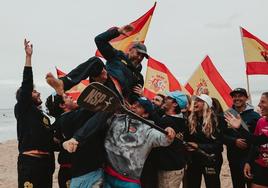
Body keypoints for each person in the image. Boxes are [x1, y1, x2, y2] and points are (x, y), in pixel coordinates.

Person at [103, 97, 176, 188]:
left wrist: (169, 132)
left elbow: (164, 139)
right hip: (107, 174)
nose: (134, 106)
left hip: (129, 181)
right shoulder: (117, 118)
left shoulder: (149, 131)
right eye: (134, 104)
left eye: (139, 106)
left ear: (145, 114)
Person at [15, 39, 55, 188]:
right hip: (29, 163)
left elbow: (51, 141)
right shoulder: (22, 108)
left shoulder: (44, 118)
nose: (38, 92)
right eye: (34, 90)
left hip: (45, 166)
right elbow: (26, 84)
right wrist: (28, 57)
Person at [226, 92, 268, 187]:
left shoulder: (255, 116)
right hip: (261, 166)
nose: (259, 105)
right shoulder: (261, 121)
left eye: (263, 102)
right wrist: (248, 162)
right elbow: (256, 141)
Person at [185, 94, 223, 188]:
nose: (195, 103)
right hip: (193, 160)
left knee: (212, 185)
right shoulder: (190, 120)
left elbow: (218, 146)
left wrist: (198, 146)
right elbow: (187, 139)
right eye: (195, 100)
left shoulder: (216, 120)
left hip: (211, 159)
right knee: (192, 185)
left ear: (206, 104)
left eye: (199, 100)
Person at [153, 91, 188, 188]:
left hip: (170, 170)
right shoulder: (182, 120)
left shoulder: (168, 121)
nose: (165, 98)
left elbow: (155, 118)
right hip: (174, 166)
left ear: (175, 104)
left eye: (168, 98)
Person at [45, 93, 78, 188]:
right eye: (67, 97)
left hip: (65, 170)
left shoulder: (55, 125)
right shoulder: (70, 118)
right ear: (62, 105)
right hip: (72, 170)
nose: (71, 97)